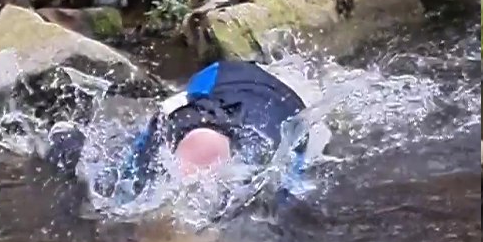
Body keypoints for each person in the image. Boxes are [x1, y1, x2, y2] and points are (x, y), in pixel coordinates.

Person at [44, 58, 324, 202]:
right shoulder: (162, 150)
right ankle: (64, 136)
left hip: (271, 98)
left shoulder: (257, 176)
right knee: (118, 173)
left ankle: (65, 139)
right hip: (222, 79)